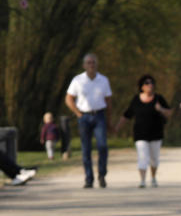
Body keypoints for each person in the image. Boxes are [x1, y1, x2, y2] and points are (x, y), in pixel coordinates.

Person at [115, 74, 172, 188]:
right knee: (142, 156)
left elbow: (169, 113)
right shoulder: (136, 99)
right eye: (147, 83)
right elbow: (127, 115)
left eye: (151, 83)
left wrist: (160, 109)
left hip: (156, 133)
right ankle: (142, 180)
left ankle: (153, 177)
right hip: (140, 134)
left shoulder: (158, 98)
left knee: (154, 159)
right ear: (142, 86)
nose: (150, 85)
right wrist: (116, 128)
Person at [65, 53, 113, 187]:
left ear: (97, 64)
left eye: (93, 62)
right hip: (84, 116)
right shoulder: (77, 80)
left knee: (102, 146)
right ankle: (88, 178)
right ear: (84, 65)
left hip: (99, 115)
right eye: (89, 62)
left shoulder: (103, 80)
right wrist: (77, 113)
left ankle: (102, 175)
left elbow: (108, 101)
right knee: (86, 149)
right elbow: (68, 98)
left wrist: (109, 120)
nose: (91, 65)